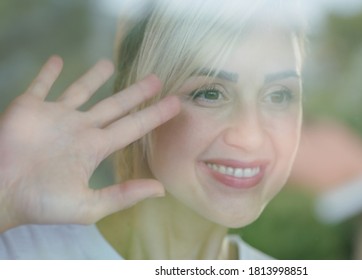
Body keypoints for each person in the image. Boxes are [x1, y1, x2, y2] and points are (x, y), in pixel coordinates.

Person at [0, 0, 307, 259]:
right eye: (210, 93)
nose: (250, 137)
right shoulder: (18, 252)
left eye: (279, 95)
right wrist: (5, 195)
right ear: (138, 102)